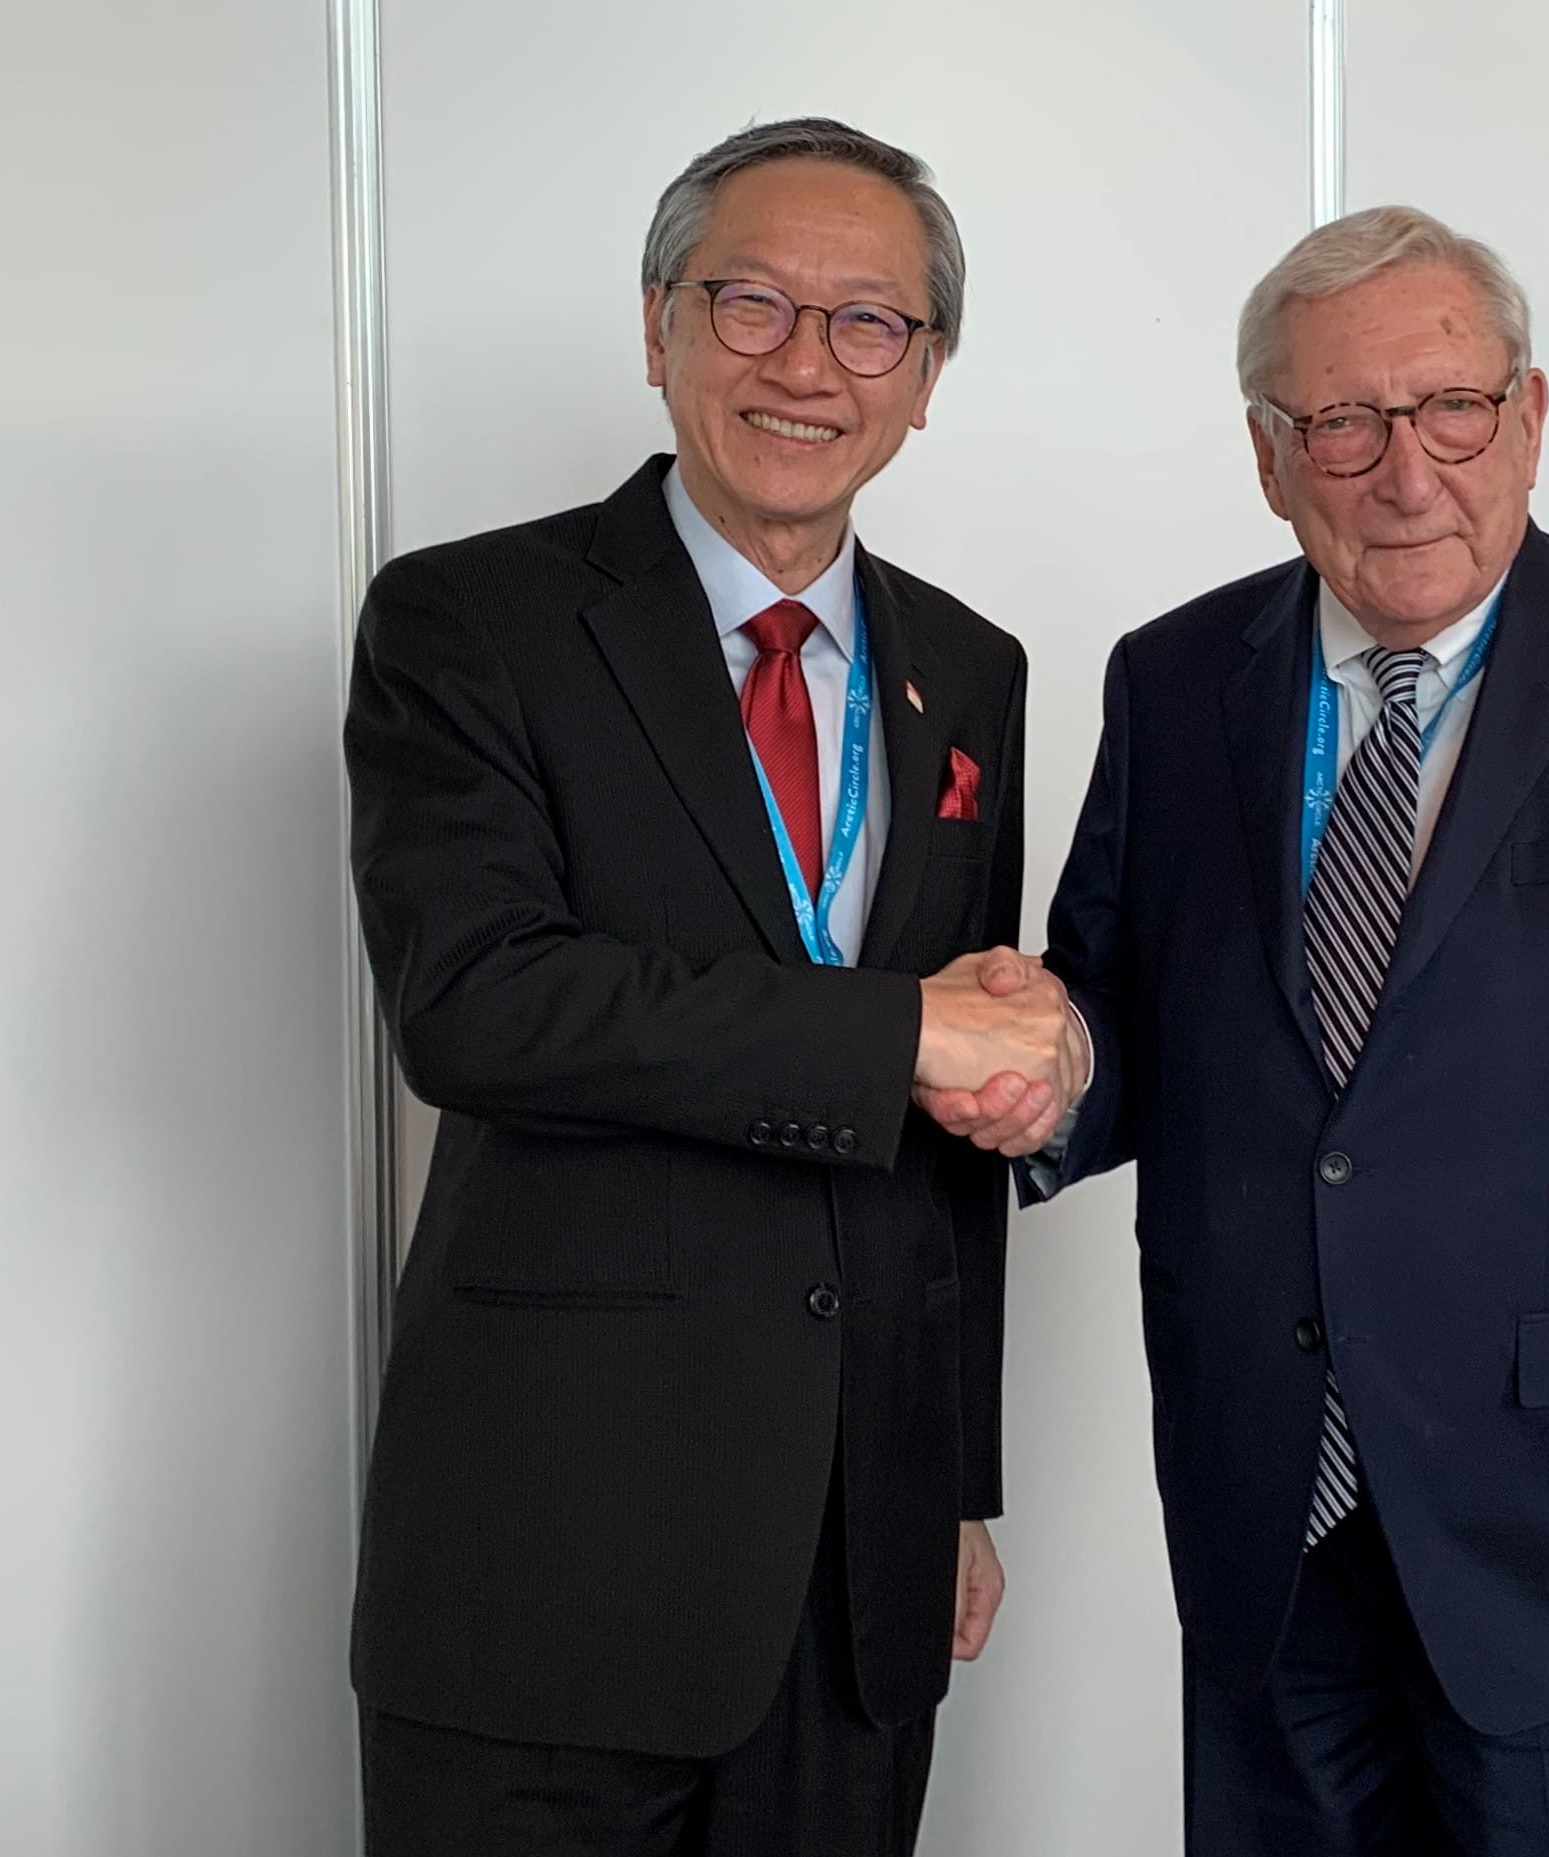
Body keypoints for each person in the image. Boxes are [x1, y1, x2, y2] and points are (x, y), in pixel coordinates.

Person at [926, 205, 1549, 1855]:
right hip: (1270, 1535)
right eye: (1343, 422)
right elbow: (1118, 1016)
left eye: (1451, 407)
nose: (1407, 470)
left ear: (1527, 420)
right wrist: (1050, 1072)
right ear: (1268, 455)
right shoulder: (1172, 684)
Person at [345, 117, 1084, 1857]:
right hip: (550, 1556)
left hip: (855, 1566)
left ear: (926, 375)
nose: (804, 363)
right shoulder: (469, 621)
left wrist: (954, 1483)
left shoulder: (968, 671)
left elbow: (946, 1142)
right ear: (660, 325)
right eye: (749, 302)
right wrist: (900, 1029)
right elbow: (479, 1001)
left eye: (867, 323)